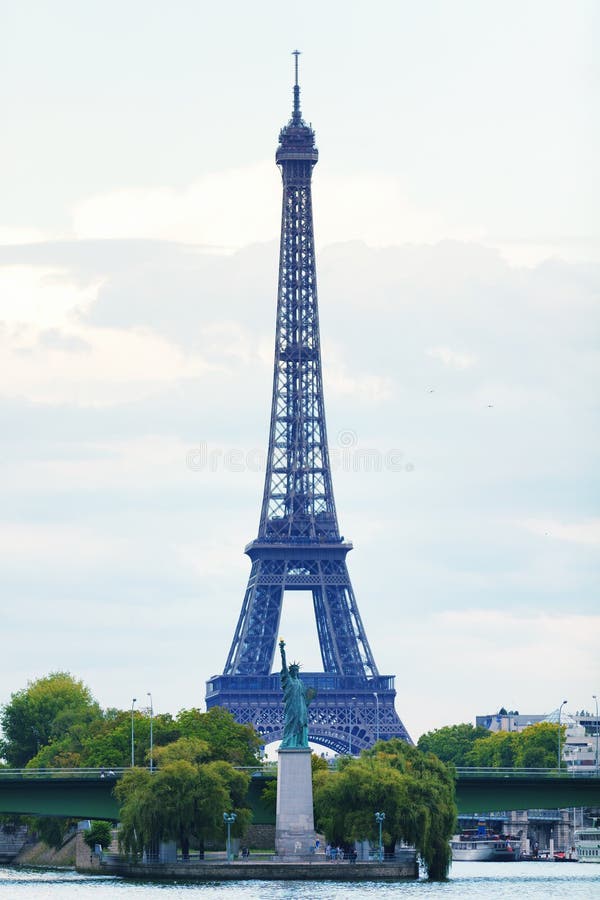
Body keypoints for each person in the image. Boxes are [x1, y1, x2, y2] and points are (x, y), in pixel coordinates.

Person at [279, 640, 315, 749]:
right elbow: (284, 666)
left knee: (301, 723)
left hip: (301, 707)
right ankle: (289, 741)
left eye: (297, 670)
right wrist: (282, 651)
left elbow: (306, 696)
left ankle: (300, 743)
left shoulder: (300, 682)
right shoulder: (288, 680)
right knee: (290, 723)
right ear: (290, 671)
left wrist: (310, 696)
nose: (295, 671)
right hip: (292, 706)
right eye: (293, 670)